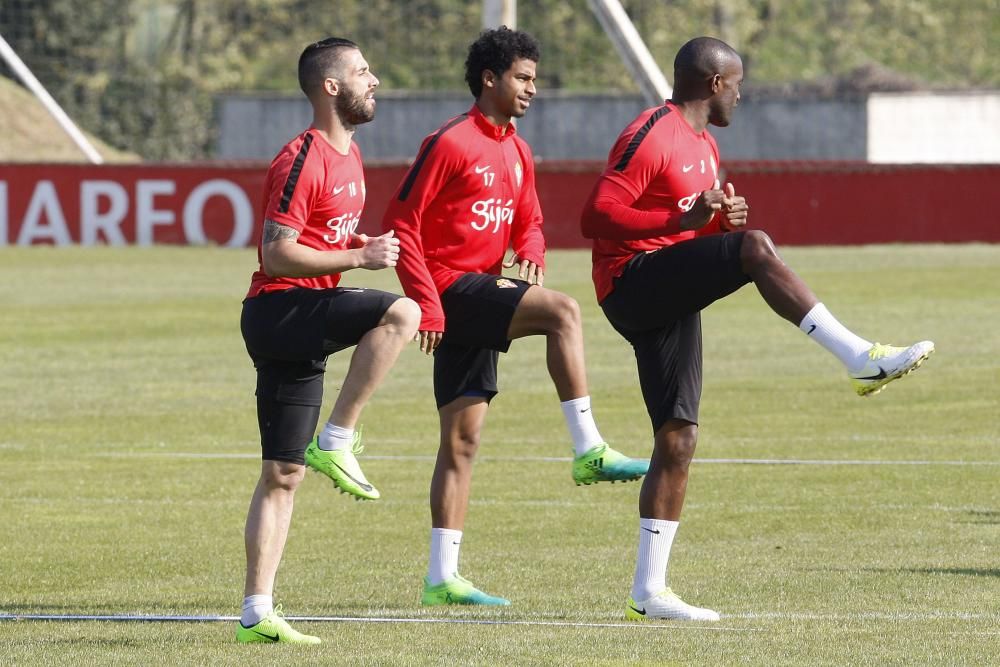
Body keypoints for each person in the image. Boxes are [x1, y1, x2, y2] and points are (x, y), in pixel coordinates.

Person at [580, 36, 934, 621]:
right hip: (630, 281)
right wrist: (698, 224)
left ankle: (649, 592)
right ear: (714, 83)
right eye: (737, 84)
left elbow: (688, 231)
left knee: (678, 437)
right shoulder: (652, 130)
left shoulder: (705, 147)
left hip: (665, 284)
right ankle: (858, 357)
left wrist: (717, 223)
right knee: (755, 248)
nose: (741, 95)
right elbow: (595, 215)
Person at [382, 27, 648, 607]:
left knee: (462, 439)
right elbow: (402, 221)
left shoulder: (518, 149)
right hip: (452, 289)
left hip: (480, 291)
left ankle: (440, 579)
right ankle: (589, 450)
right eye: (523, 78)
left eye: (534, 79)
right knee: (563, 311)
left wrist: (531, 250)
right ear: (490, 79)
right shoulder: (449, 142)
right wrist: (426, 301)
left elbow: (528, 220)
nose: (533, 89)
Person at [236, 37, 420, 644]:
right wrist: (360, 256)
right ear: (330, 87)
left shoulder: (351, 153)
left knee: (283, 474)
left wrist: (351, 248)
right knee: (400, 314)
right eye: (363, 72)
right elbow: (276, 252)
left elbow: (320, 238)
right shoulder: (301, 158)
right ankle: (337, 438)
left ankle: (256, 613)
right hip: (281, 309)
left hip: (301, 314)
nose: (376, 80)